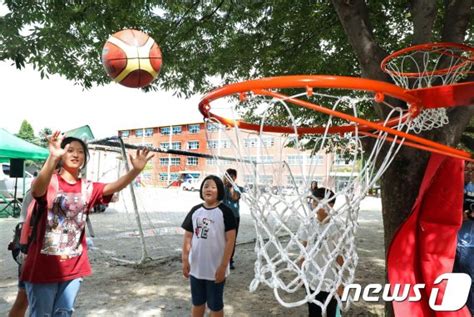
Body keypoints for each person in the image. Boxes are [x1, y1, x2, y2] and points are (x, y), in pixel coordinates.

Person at [20, 131, 153, 316]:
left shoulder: (88, 187)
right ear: (61, 154)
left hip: (73, 266)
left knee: (64, 313)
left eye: (81, 151)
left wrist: (135, 171)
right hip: (42, 267)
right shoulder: (50, 181)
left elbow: (114, 186)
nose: (76, 154)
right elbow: (37, 190)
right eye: (70, 150)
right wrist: (52, 157)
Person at [181, 175, 237, 317]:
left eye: (213, 187)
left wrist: (224, 266)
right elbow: (188, 236)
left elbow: (231, 240)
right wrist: (185, 260)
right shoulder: (195, 211)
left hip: (216, 269)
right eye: (206, 186)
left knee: (215, 305)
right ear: (201, 190)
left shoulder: (226, 212)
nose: (209, 189)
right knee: (197, 303)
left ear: (219, 191)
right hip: (196, 269)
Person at [298, 187, 343, 317]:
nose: (316, 205)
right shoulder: (307, 224)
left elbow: (340, 256)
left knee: (332, 312)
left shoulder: (338, 227)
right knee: (314, 312)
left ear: (331, 205)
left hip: (331, 280)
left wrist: (340, 281)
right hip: (312, 278)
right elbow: (303, 251)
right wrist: (301, 273)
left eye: (320, 202)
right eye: (314, 202)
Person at [453, 161, 474, 315]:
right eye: (466, 168)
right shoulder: (458, 186)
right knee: (455, 278)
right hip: (453, 242)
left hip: (470, 244)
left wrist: (468, 215)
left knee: (470, 279)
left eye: (472, 169)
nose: (468, 171)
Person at [8, 190, 32, 317]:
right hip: (31, 252)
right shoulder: (37, 189)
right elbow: (24, 225)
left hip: (57, 254)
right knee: (23, 298)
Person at [222, 168, 243, 270]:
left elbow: (234, 197)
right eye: (227, 176)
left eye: (232, 176)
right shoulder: (221, 188)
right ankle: (221, 258)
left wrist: (232, 186)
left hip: (234, 217)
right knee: (221, 238)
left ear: (235, 178)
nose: (229, 178)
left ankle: (230, 260)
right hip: (222, 217)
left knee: (231, 239)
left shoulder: (237, 188)